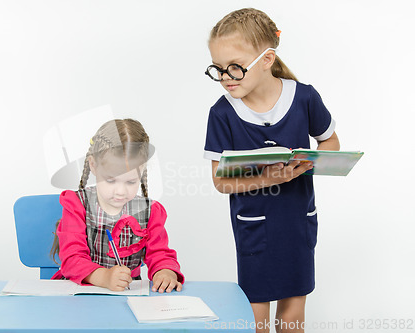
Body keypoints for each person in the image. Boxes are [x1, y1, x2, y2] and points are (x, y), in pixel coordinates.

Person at [203, 8, 340, 333]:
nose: (225, 78)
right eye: (218, 69)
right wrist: (271, 177)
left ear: (266, 59)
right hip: (255, 229)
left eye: (235, 68)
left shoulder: (304, 97)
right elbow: (221, 181)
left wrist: (312, 162)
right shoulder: (222, 113)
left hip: (297, 223)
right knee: (254, 319)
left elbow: (330, 142)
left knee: (293, 317)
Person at [51, 119, 183, 293]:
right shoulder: (77, 204)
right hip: (77, 293)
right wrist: (105, 277)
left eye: (130, 181)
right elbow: (72, 259)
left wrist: (165, 272)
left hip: (126, 294)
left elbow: (160, 254)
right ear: (93, 165)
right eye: (111, 180)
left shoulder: (150, 212)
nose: (120, 191)